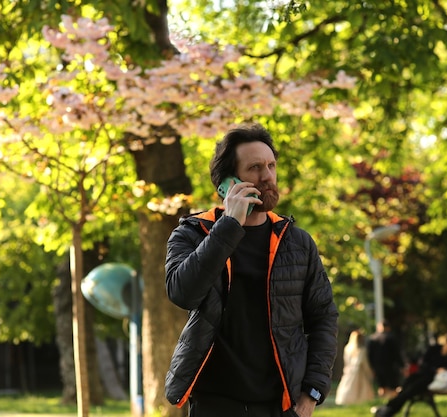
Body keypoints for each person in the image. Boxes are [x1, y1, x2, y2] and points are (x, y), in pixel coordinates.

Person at [164, 122, 339, 417]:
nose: (267, 176)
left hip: (281, 404)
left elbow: (324, 317)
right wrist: (229, 227)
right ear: (229, 183)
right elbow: (183, 293)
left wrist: (312, 391)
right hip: (214, 403)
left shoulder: (297, 242)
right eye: (256, 167)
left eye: (271, 166)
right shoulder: (192, 233)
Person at [372, 332, 447, 417]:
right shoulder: (434, 349)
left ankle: (387, 410)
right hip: (422, 374)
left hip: (431, 380)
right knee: (405, 389)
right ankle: (388, 409)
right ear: (446, 342)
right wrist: (436, 369)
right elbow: (423, 364)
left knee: (409, 391)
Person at [335, 329, 375, 405]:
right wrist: (369, 372)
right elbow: (364, 363)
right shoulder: (361, 350)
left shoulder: (348, 348)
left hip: (349, 371)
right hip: (359, 372)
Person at [367, 320, 405, 398]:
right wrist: (402, 365)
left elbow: (370, 355)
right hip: (390, 366)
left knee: (382, 386)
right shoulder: (391, 338)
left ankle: (383, 400)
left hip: (378, 366)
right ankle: (392, 401)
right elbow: (396, 353)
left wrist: (372, 367)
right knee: (393, 386)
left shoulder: (373, 339)